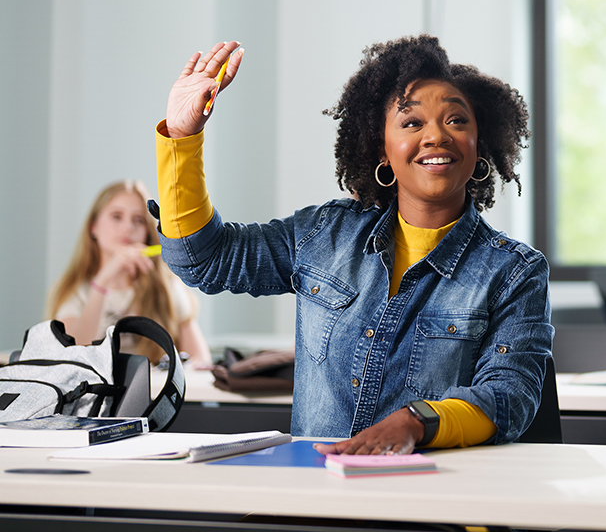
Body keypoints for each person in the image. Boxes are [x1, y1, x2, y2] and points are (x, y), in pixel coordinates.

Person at [154, 35, 553, 454]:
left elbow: (509, 399)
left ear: (479, 145)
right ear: (382, 149)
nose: (436, 135)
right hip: (319, 496)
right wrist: (182, 137)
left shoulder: (514, 272)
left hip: (429, 502)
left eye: (456, 120)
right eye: (412, 123)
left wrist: (417, 422)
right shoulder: (326, 234)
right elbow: (205, 259)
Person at [46, 180, 213, 367]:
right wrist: (103, 282)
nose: (128, 228)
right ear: (93, 227)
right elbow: (72, 355)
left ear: (147, 233)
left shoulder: (168, 288)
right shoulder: (75, 290)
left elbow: (201, 359)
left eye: (138, 220)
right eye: (116, 217)